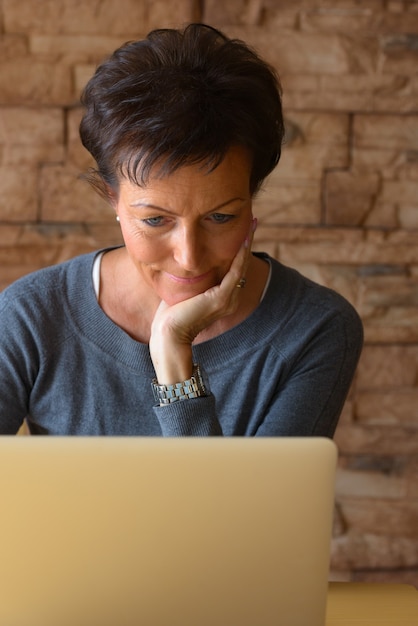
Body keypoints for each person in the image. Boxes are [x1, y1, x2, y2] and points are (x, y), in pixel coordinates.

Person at [0, 23, 363, 436]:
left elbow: (243, 506)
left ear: (252, 196)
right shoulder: (31, 317)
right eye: (155, 220)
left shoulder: (314, 328)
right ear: (111, 198)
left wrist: (174, 359)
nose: (189, 257)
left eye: (221, 217)